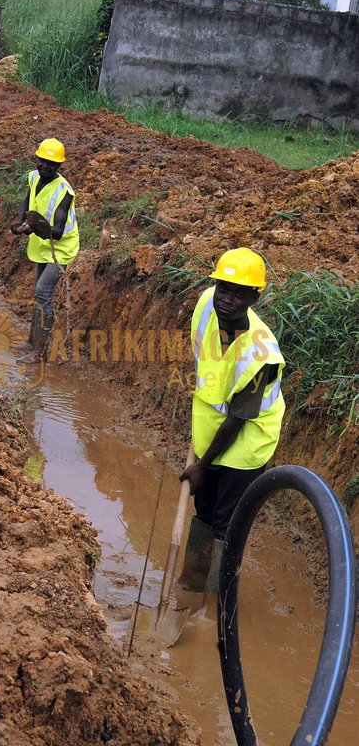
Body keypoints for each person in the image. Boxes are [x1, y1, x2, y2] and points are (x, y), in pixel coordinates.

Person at [177, 247, 285, 594]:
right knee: (204, 510)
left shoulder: (261, 354)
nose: (226, 299)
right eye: (224, 288)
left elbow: (240, 416)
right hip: (211, 433)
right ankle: (192, 586)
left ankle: (219, 606)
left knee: (227, 524)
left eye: (239, 294)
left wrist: (201, 465)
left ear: (256, 297)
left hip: (245, 445)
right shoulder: (207, 303)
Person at [10, 138, 79, 359]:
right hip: (41, 245)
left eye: (51, 163)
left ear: (59, 166)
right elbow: (26, 199)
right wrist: (19, 220)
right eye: (42, 161)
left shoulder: (64, 191)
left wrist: (31, 227)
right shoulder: (33, 176)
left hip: (61, 248)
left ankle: (40, 351)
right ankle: (32, 344)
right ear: (36, 159)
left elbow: (57, 230)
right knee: (38, 294)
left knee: (42, 292)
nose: (45, 166)